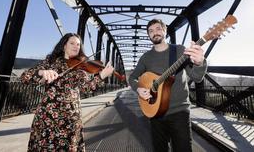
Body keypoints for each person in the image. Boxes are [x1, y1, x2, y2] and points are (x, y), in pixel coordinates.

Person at [20, 33, 114, 152]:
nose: (76, 46)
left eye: (78, 44)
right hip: (48, 117)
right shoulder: (51, 61)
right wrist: (41, 73)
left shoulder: (81, 66)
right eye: (72, 43)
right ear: (64, 45)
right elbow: (25, 77)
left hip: (71, 118)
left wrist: (101, 76)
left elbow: (87, 88)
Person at [128, 19, 207, 152]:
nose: (155, 33)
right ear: (148, 35)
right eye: (151, 31)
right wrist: (139, 89)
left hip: (179, 113)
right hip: (155, 113)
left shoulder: (180, 50)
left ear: (165, 31)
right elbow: (132, 78)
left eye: (158, 29)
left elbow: (197, 78)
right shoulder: (146, 58)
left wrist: (200, 63)